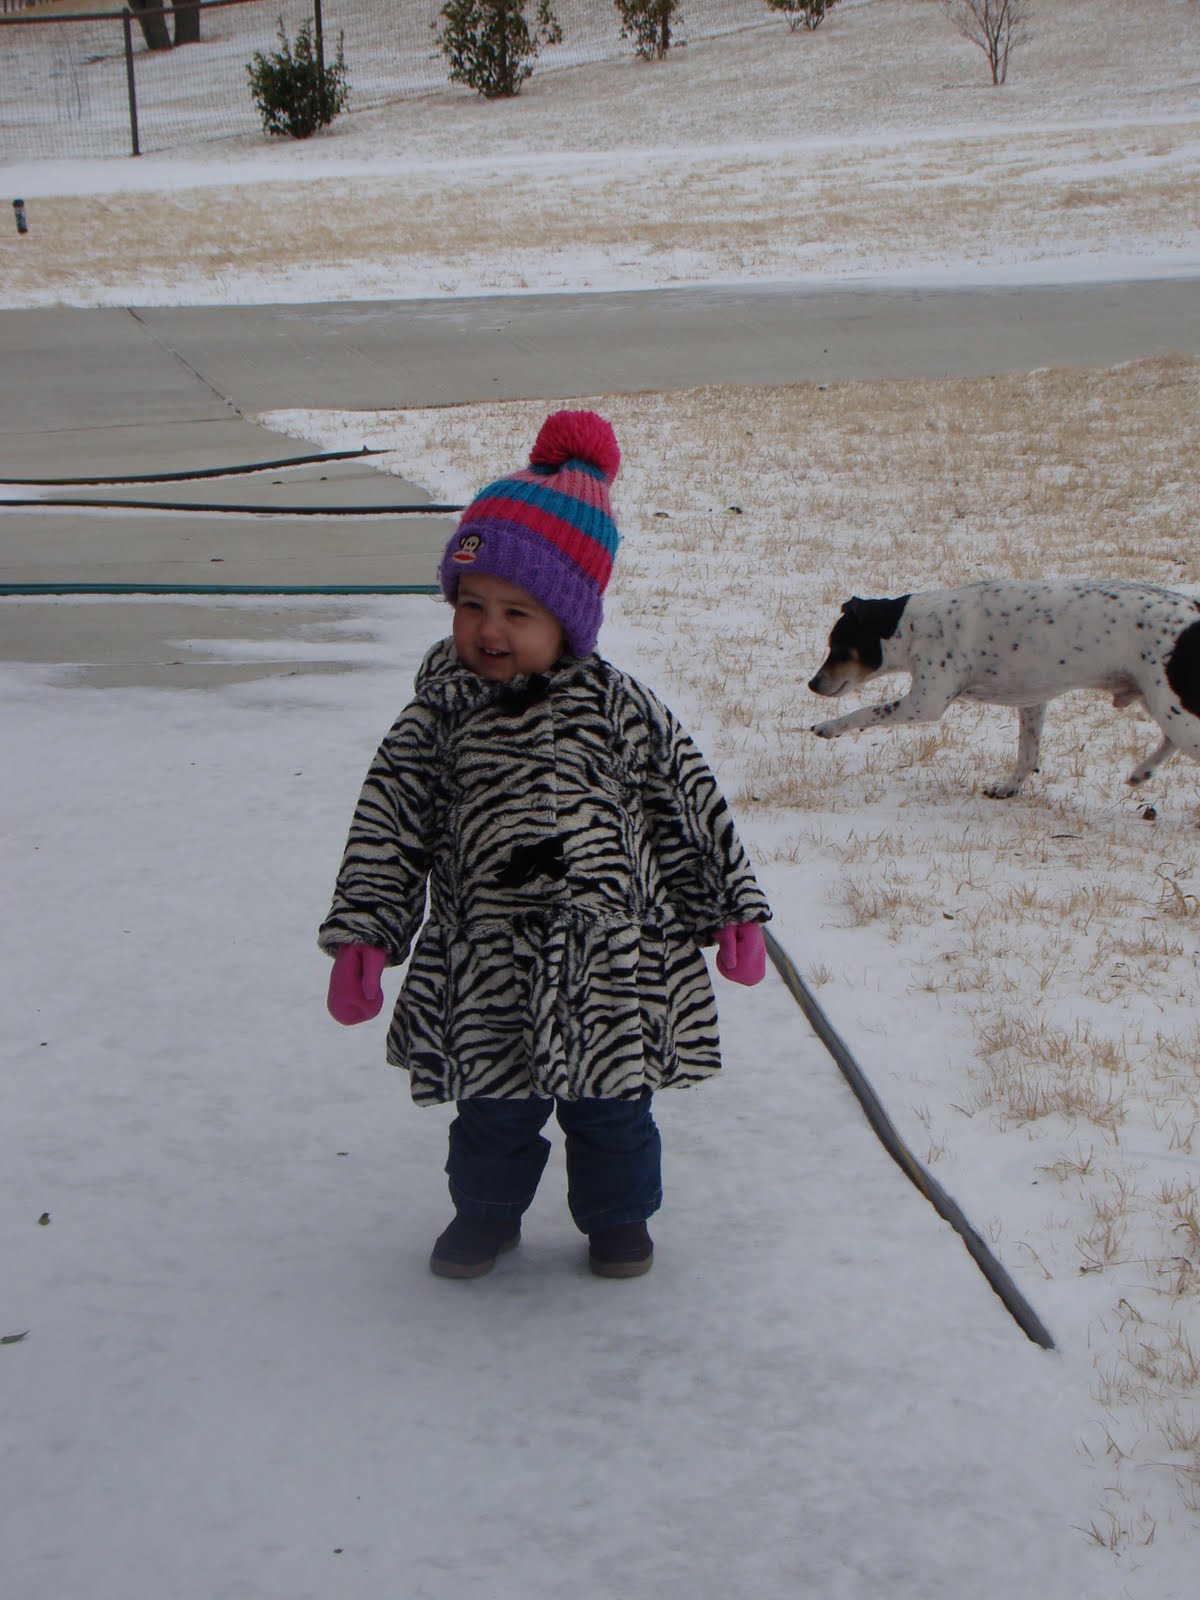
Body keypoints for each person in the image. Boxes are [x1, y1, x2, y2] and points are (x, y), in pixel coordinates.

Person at [319, 409, 771, 1281]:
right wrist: (365, 934)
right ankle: (485, 1218)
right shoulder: (435, 718)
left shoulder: (622, 708)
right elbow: (388, 827)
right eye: (472, 606)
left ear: (569, 619)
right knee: (492, 1111)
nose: (488, 630)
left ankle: (618, 1221)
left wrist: (729, 908)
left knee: (615, 1109)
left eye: (516, 612)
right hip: (487, 961)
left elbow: (688, 806)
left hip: (610, 963)